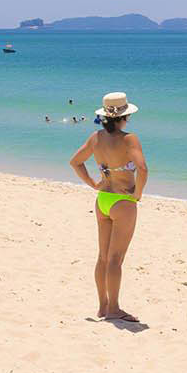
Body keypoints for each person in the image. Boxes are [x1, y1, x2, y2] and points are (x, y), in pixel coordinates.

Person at [68, 92, 148, 323]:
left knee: (103, 257)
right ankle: (114, 308)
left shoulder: (96, 137)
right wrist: (138, 194)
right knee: (115, 259)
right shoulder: (129, 139)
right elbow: (142, 169)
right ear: (125, 116)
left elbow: (75, 162)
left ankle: (103, 306)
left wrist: (93, 183)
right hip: (123, 202)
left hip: (103, 199)